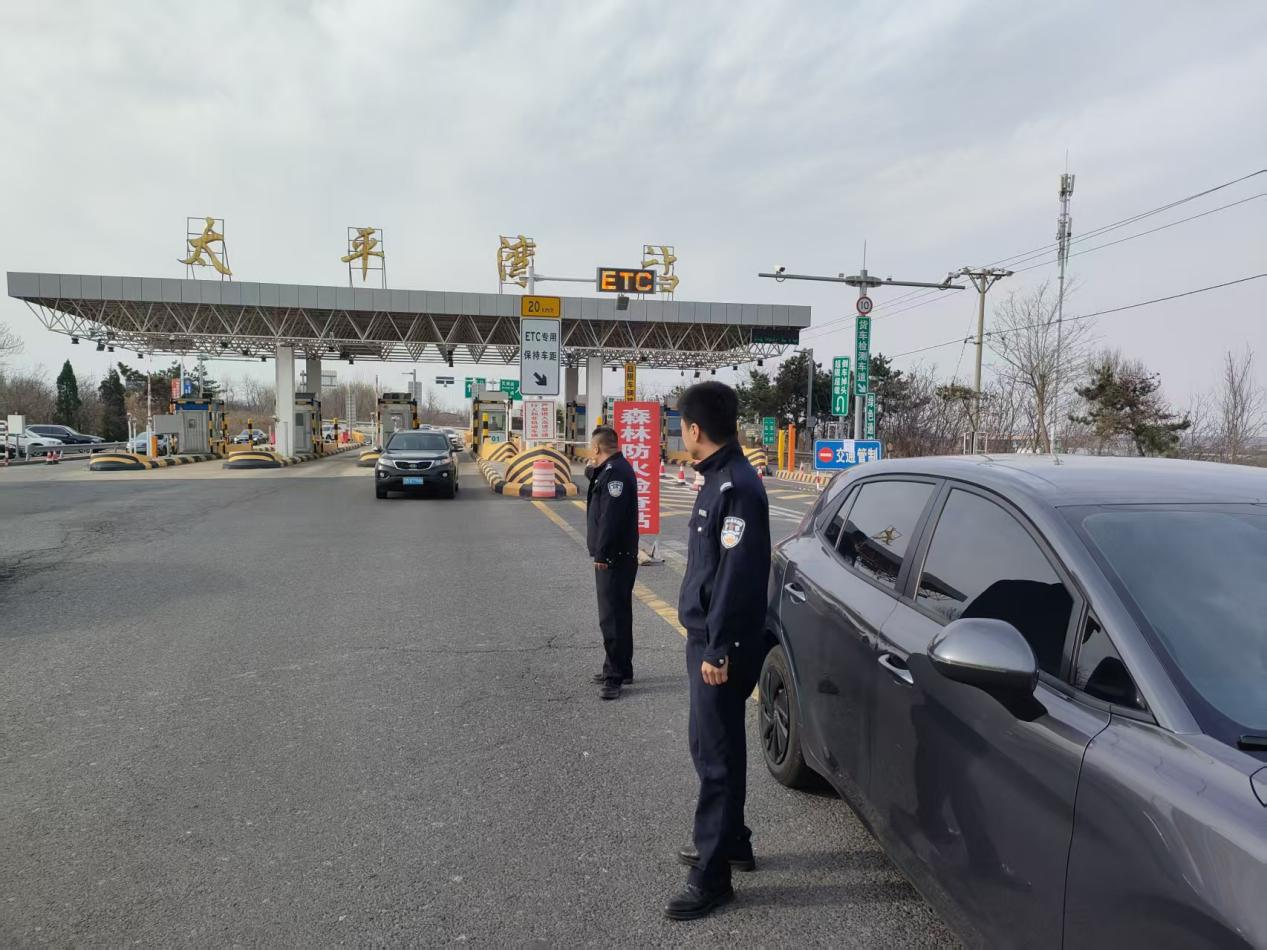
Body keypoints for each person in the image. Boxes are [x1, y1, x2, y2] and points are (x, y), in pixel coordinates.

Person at [666, 381, 771, 921]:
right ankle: (732, 841)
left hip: (720, 646)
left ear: (694, 429)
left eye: (680, 427)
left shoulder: (736, 487)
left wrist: (718, 648)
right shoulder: (718, 478)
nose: (679, 435)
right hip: (711, 640)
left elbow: (737, 577)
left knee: (715, 758)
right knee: (717, 746)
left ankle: (712, 877)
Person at [585, 425, 639, 701]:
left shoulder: (615, 473)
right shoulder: (611, 469)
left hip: (614, 557)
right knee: (619, 614)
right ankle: (622, 667)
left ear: (597, 447)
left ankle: (614, 676)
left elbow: (611, 517)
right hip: (619, 556)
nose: (589, 451)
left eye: (591, 447)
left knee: (612, 618)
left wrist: (602, 553)